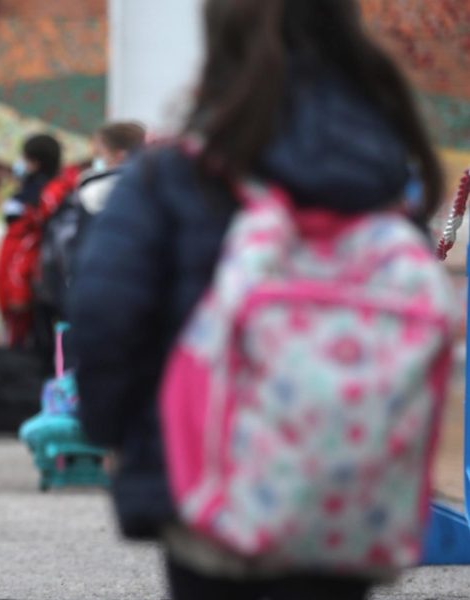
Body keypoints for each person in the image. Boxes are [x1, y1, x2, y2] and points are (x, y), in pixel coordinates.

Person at [68, 1, 443, 598]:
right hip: (347, 476)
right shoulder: (382, 176)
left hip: (205, 477)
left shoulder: (174, 174)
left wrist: (115, 432)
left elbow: (105, 314)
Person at [37, 122, 146, 320]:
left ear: (119, 156)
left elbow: (67, 248)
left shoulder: (89, 192)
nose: (95, 162)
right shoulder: (160, 192)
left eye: (98, 155)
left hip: (96, 298)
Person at [0, 133, 78, 359]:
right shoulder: (44, 192)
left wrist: (17, 293)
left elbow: (28, 250)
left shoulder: (43, 198)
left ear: (36, 161)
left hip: (31, 286)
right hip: (32, 283)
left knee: (36, 347)